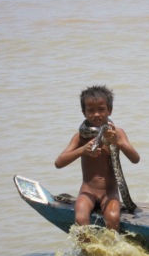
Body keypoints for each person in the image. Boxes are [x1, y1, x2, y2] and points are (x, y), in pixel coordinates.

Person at [54, 85, 140, 231]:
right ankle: (88, 251)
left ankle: (111, 251)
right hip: (88, 191)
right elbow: (59, 163)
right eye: (91, 110)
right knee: (81, 218)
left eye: (101, 109)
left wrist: (117, 142)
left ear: (110, 110)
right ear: (84, 112)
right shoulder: (80, 137)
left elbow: (135, 158)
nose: (96, 114)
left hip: (110, 192)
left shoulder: (116, 133)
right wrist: (82, 150)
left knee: (113, 218)